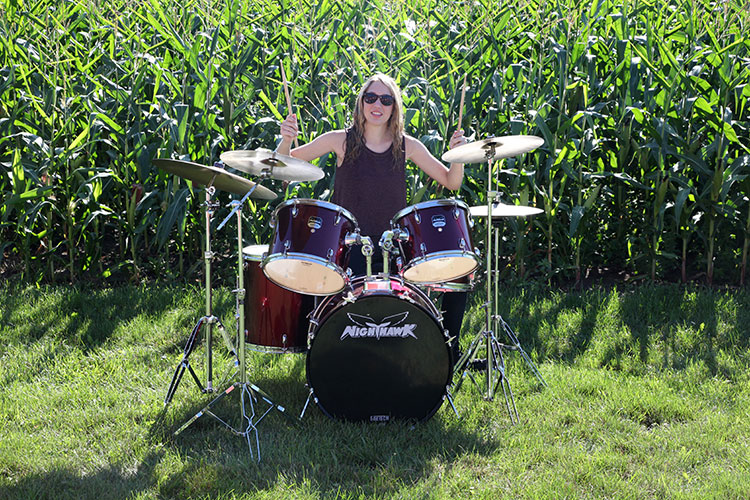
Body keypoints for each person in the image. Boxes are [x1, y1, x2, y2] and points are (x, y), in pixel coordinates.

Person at [276, 73, 468, 364]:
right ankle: (326, 354)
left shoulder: (408, 146)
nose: (377, 104)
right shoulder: (339, 140)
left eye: (386, 99)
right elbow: (284, 168)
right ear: (361, 103)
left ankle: (449, 354)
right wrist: (286, 140)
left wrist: (458, 155)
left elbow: (450, 182)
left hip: (394, 249)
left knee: (458, 272)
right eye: (371, 97)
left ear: (394, 108)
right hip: (350, 248)